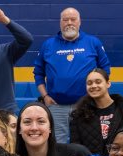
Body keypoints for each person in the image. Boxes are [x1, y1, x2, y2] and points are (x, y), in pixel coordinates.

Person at [33, 8, 110, 143]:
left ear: (80, 22)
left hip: (86, 105)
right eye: (65, 19)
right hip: (56, 106)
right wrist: (45, 96)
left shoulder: (93, 42)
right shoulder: (48, 45)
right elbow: (38, 73)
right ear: (60, 23)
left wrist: (98, 95)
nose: (69, 23)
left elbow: (105, 70)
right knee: (57, 144)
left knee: (87, 141)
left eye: (73, 19)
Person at [68, 69, 123, 156]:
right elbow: (76, 148)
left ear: (108, 83)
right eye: (89, 83)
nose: (93, 86)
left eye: (98, 82)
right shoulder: (78, 115)